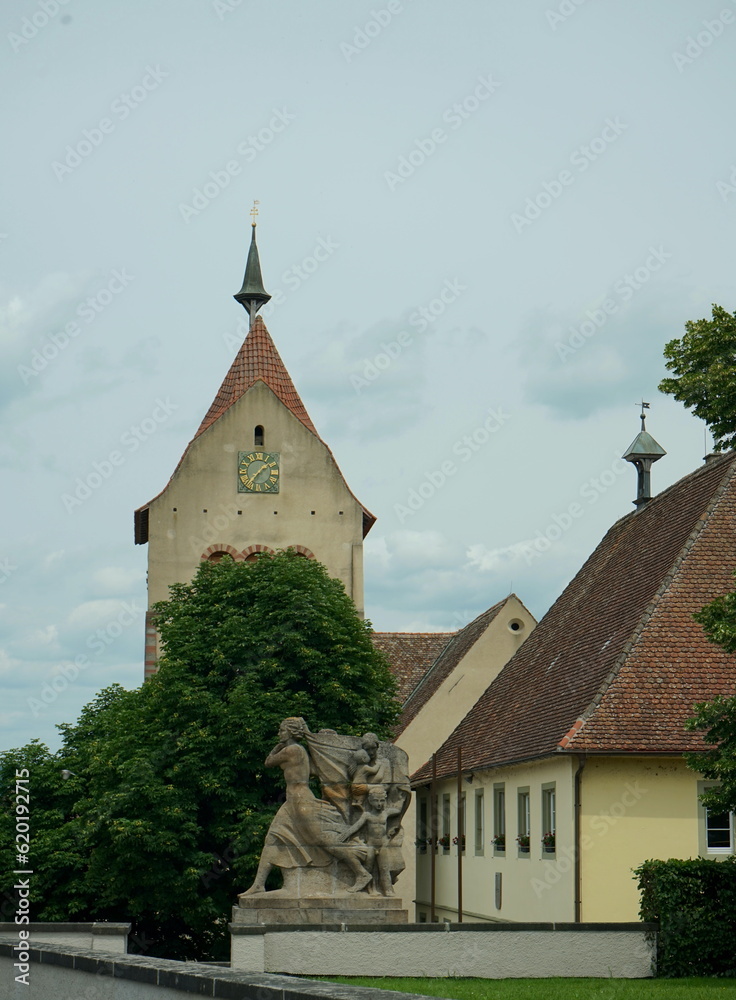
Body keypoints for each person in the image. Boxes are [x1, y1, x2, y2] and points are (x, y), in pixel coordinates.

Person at [243, 717, 373, 894]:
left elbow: (268, 761)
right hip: (293, 802)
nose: (279, 733)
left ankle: (362, 873)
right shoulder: (301, 751)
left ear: (290, 732)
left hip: (301, 801)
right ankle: (259, 884)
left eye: (282, 730)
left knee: (322, 840)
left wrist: (279, 745)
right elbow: (313, 770)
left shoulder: (291, 750)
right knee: (272, 838)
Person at [339, 786, 403, 896]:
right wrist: (346, 835)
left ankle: (388, 890)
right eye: (376, 801)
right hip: (371, 845)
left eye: (381, 800)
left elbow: (398, 810)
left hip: (382, 845)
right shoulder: (367, 815)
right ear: (370, 801)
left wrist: (399, 797)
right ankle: (371, 890)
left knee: (384, 869)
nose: (379, 803)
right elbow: (356, 826)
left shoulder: (386, 813)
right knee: (369, 869)